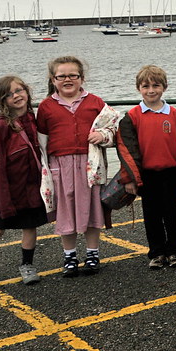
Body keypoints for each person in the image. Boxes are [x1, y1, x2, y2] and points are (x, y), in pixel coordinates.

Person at [36, 56, 117, 277]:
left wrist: (102, 135)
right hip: (59, 166)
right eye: (62, 76)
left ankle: (92, 254)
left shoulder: (95, 102)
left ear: (82, 78)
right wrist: (44, 172)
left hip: (89, 164)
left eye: (73, 75)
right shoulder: (45, 107)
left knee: (91, 209)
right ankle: (69, 256)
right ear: (53, 80)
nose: (68, 79)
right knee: (66, 211)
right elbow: (41, 143)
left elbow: (113, 127)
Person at [116, 66, 176, 269]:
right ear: (138, 88)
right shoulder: (133, 116)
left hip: (170, 172)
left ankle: (174, 251)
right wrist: (128, 178)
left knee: (173, 214)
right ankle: (156, 253)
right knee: (152, 216)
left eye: (156, 85)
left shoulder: (173, 114)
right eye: (146, 86)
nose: (151, 90)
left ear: (164, 87)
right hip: (147, 174)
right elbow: (125, 150)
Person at [0, 76, 48, 287]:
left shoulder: (33, 119)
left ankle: (27, 265)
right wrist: (0, 197)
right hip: (8, 190)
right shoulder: (1, 127)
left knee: (30, 228)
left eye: (19, 90)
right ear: (2, 100)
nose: (16, 96)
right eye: (9, 94)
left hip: (32, 188)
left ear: (27, 91)